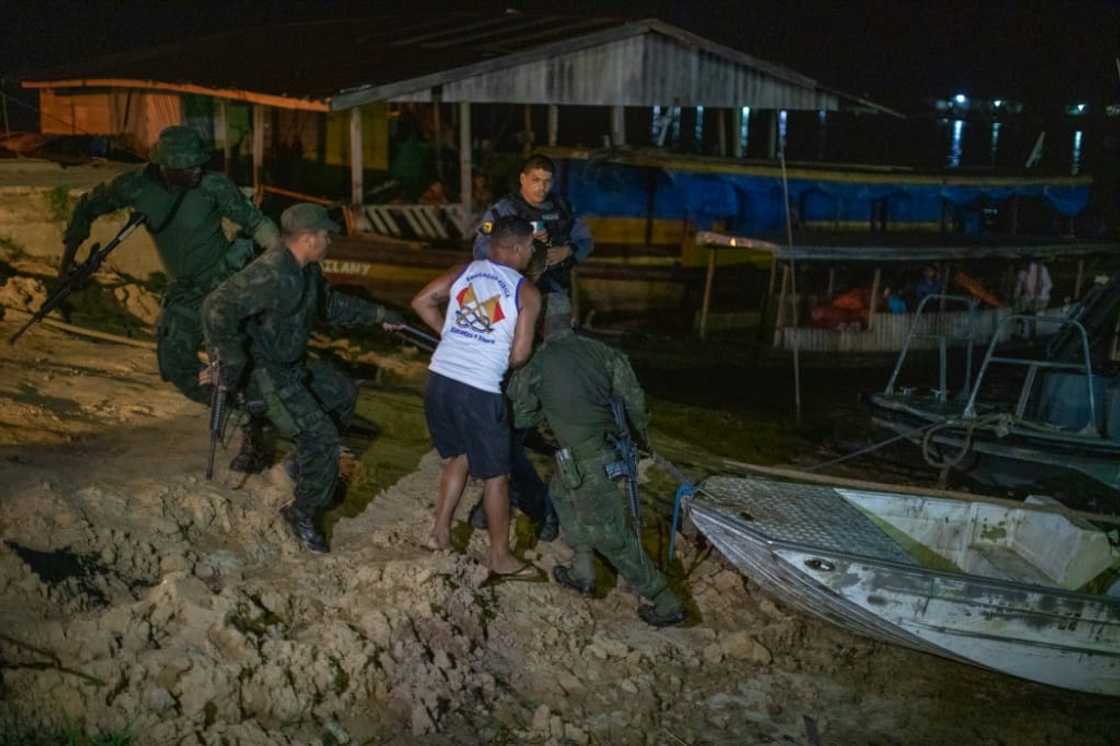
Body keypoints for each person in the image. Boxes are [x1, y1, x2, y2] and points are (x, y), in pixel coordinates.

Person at [62, 125, 280, 472]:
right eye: (187, 166)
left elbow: (256, 223)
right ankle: (237, 409)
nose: (196, 170)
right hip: (185, 290)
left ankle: (256, 431)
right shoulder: (136, 186)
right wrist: (67, 262)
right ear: (165, 166)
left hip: (223, 281)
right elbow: (88, 206)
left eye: (198, 164)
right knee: (175, 362)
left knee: (230, 359)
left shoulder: (213, 186)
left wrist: (280, 256)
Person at [202, 204, 404, 553]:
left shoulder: (306, 270)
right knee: (323, 438)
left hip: (292, 366)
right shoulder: (272, 272)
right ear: (308, 239)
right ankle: (302, 513)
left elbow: (327, 304)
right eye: (326, 236)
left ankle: (303, 466)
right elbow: (216, 307)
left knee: (341, 392)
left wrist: (379, 314)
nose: (329, 241)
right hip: (267, 374)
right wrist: (231, 358)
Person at [507, 295, 687, 628]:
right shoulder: (604, 353)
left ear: (538, 325)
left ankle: (665, 599)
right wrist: (640, 438)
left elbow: (521, 416)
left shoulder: (536, 364)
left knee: (610, 535)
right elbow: (634, 400)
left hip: (585, 461)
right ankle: (583, 569)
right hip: (610, 451)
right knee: (561, 495)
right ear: (572, 318)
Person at [469, 153, 593, 538]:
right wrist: (523, 250)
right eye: (535, 179)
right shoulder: (504, 211)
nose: (541, 187)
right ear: (522, 178)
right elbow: (481, 249)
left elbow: (586, 239)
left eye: (546, 181)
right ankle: (508, 492)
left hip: (552, 298)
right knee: (512, 390)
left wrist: (566, 251)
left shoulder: (562, 209)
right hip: (515, 297)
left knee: (551, 377)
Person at [411, 216, 542, 577]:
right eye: (531, 247)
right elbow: (519, 355)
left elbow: (422, 301)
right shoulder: (526, 292)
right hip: (478, 390)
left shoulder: (463, 270)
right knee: (497, 476)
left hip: (439, 380)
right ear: (516, 248)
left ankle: (440, 533)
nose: (532, 253)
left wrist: (452, 334)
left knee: (459, 456)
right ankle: (499, 556)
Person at [1014, 258, 1053, 338]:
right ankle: (1024, 333)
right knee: (1022, 309)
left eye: (1022, 265)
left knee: (1036, 316)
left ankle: (1036, 334)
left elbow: (1049, 285)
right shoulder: (1021, 273)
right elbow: (1018, 288)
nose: (1021, 267)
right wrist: (1015, 298)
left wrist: (1039, 294)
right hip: (1029, 299)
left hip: (1042, 298)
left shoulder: (1041, 269)